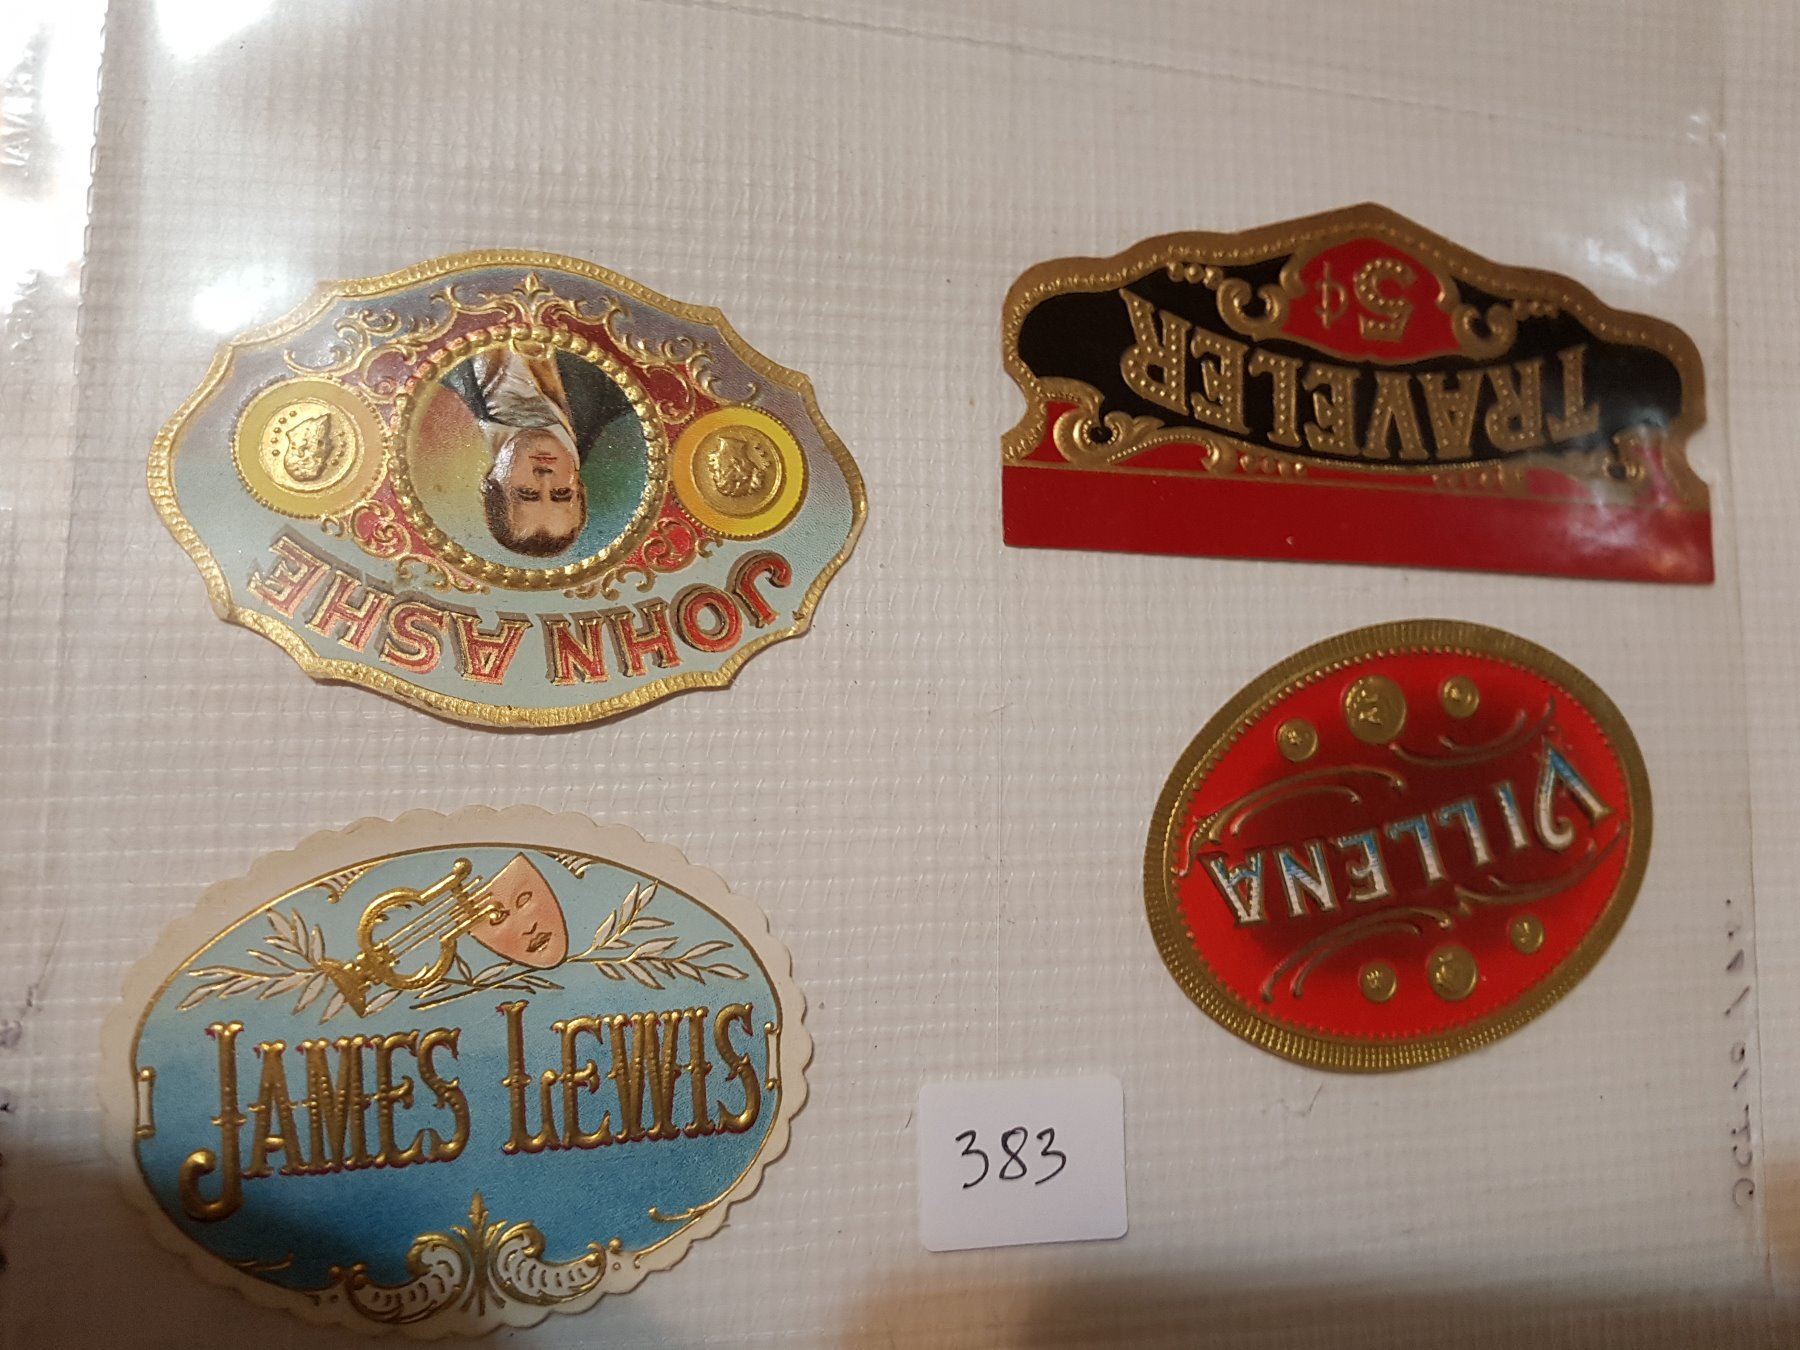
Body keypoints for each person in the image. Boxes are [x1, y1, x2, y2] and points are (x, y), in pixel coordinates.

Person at [441, 344, 588, 557]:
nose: (545, 477)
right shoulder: (614, 392)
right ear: (579, 485)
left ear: (492, 480)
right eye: (561, 493)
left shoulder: (444, 379)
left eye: (527, 492)